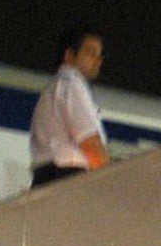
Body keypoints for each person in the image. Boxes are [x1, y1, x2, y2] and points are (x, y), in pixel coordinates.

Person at [29, 27, 108, 187]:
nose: (98, 61)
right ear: (70, 56)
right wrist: (114, 178)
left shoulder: (54, 87)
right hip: (67, 179)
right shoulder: (71, 84)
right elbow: (90, 143)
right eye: (91, 53)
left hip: (48, 178)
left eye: (99, 55)